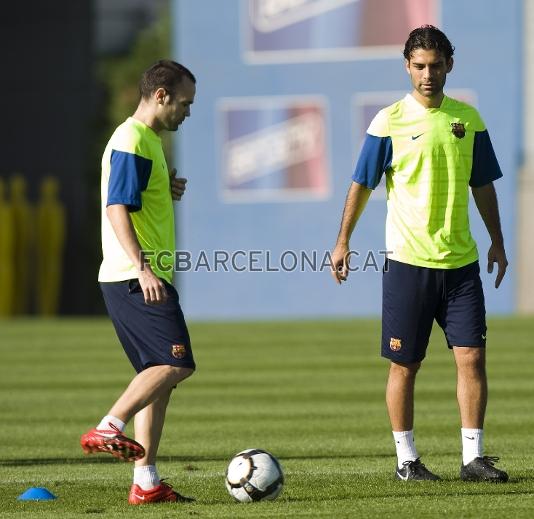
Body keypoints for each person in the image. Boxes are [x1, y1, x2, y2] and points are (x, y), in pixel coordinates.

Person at [331, 26, 509, 482]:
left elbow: (482, 184)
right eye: (419, 66)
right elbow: (362, 184)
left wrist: (498, 240)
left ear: (450, 63)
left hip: (461, 264)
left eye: (435, 64)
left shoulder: (468, 119)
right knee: (405, 364)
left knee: (472, 358)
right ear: (408, 67)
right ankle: (407, 461)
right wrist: (342, 241)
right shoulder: (388, 121)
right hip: (409, 264)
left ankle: (473, 458)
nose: (428, 74)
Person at [80, 60, 197, 504]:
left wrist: (164, 187)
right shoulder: (132, 139)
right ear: (161, 95)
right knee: (177, 364)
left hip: (135, 276)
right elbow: (116, 208)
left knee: (157, 378)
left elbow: (133, 196)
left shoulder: (147, 141)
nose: (187, 112)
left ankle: (146, 482)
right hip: (136, 277)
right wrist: (144, 268)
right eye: (184, 103)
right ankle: (109, 426)